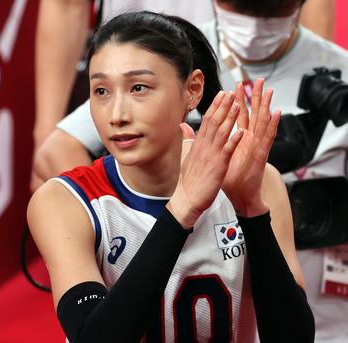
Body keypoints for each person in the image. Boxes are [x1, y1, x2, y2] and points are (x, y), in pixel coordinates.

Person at [33, 1, 348, 341]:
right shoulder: (63, 202)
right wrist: (181, 210)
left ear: (193, 90)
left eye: (139, 88)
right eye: (101, 91)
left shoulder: (258, 182)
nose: (116, 115)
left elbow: (293, 337)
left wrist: (251, 212)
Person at [30, 0, 337, 192]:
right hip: (138, 57)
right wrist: (121, 223)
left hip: (234, 58)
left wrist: (308, 69)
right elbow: (66, 5)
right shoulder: (137, 76)